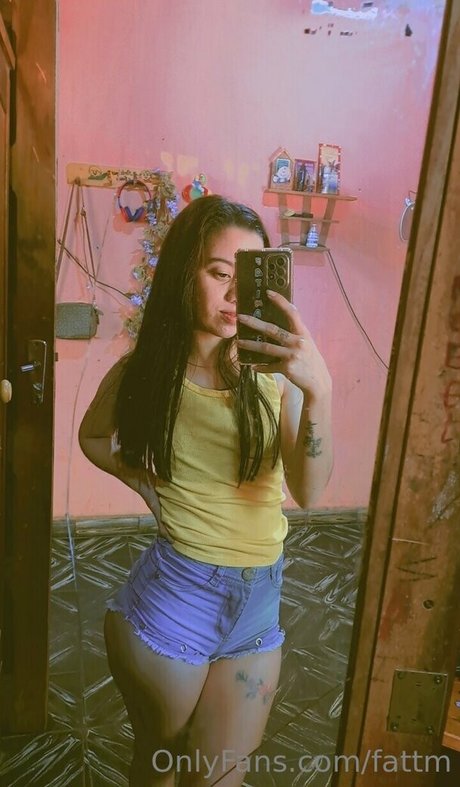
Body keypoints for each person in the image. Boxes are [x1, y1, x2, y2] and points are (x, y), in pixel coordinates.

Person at [78, 194, 333, 787]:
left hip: (260, 604)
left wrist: (319, 393)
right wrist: (143, 482)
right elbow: (92, 436)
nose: (236, 295)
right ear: (183, 274)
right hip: (175, 600)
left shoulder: (273, 377)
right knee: (160, 763)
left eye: (248, 277)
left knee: (217, 778)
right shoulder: (145, 372)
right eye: (220, 274)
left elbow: (310, 490)